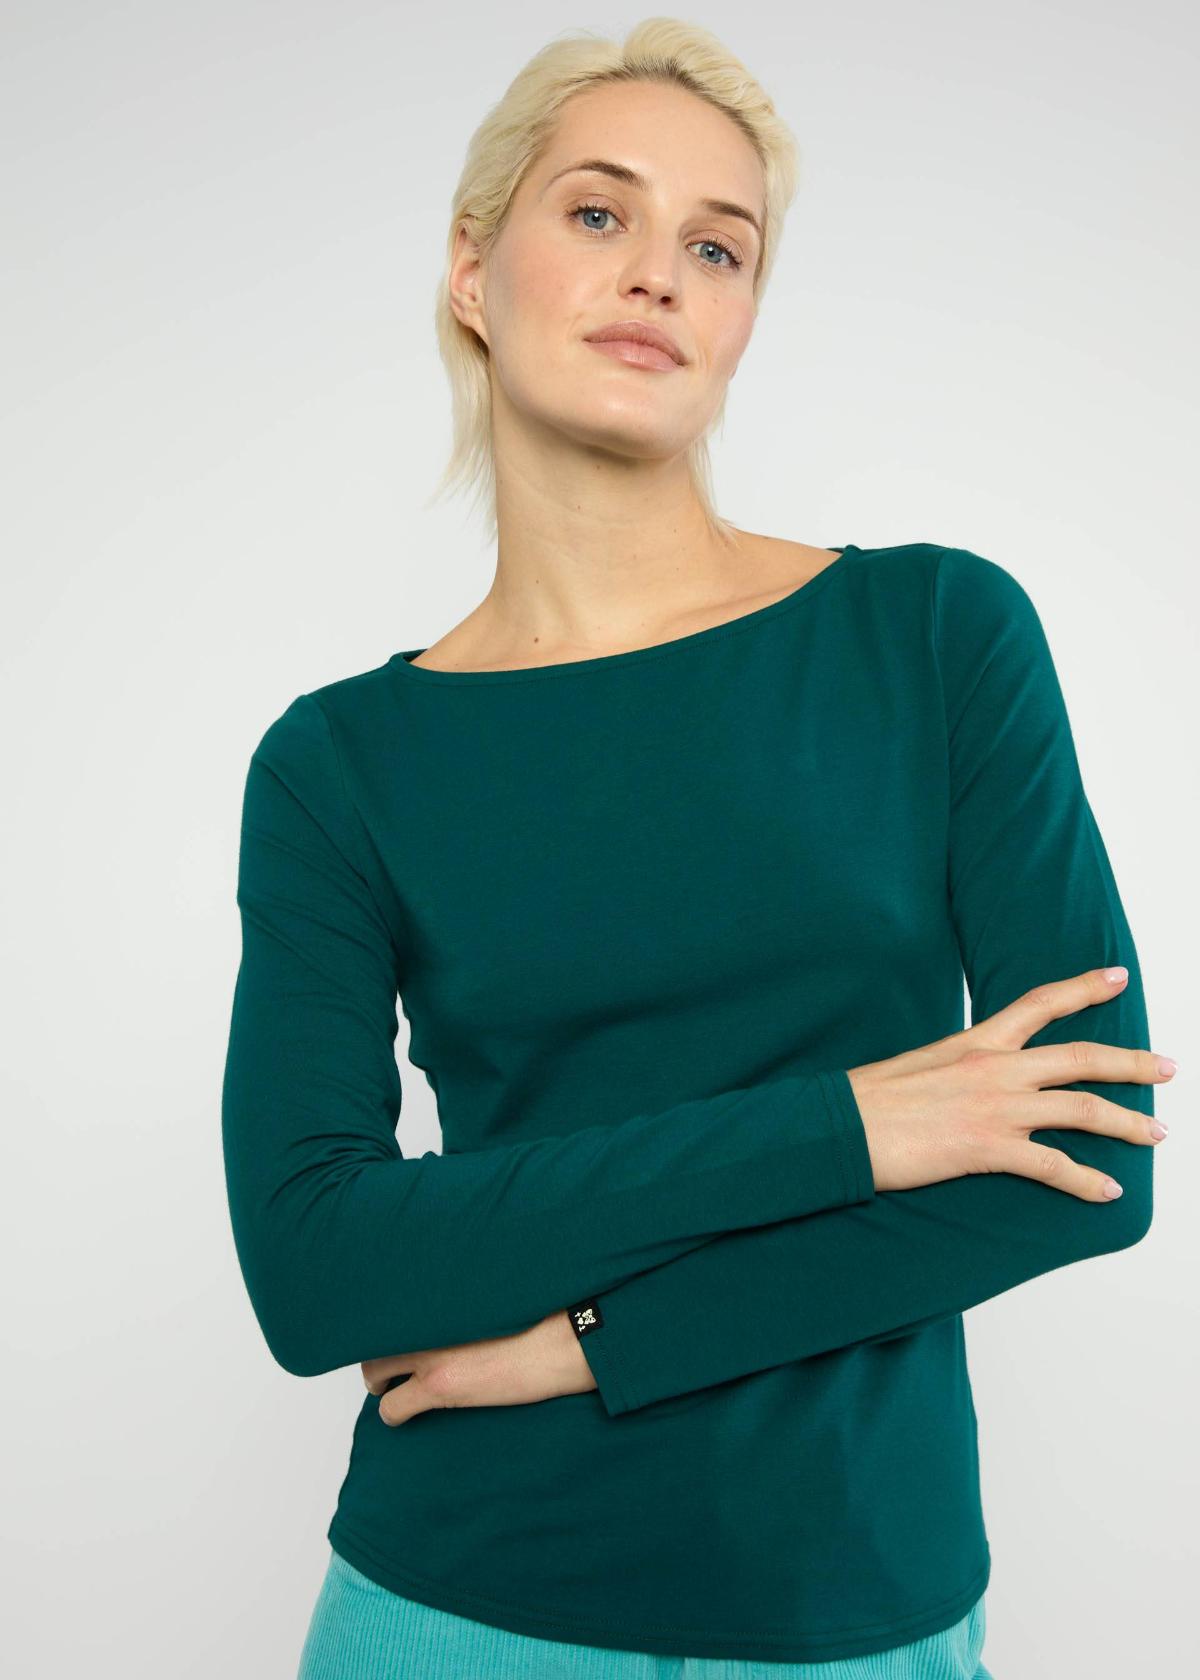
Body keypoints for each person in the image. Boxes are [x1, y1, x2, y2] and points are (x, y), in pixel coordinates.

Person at [220, 18, 1168, 1680]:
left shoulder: (934, 636)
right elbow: (315, 1267)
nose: (658, 273)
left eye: (718, 247)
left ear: (743, 316)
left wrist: (599, 1341)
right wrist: (853, 1127)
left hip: (857, 1605)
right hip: (459, 1609)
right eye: (598, 213)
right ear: (472, 269)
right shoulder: (340, 765)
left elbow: (1092, 1163)